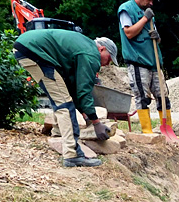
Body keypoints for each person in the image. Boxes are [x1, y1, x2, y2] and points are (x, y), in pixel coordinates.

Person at [14, 30, 117, 167]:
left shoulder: (82, 47)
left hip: (27, 48)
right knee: (65, 105)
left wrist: (87, 116)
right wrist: (97, 123)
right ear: (102, 49)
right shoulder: (91, 54)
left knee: (61, 96)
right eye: (109, 58)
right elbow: (84, 92)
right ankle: (72, 154)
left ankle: (58, 134)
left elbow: (73, 89)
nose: (107, 64)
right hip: (35, 51)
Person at [118, 0, 170, 134]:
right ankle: (147, 131)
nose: (151, 3)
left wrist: (157, 37)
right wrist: (145, 19)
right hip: (138, 61)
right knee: (142, 97)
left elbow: (154, 38)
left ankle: (167, 130)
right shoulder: (126, 9)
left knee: (163, 96)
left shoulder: (148, 13)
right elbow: (128, 32)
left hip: (154, 62)